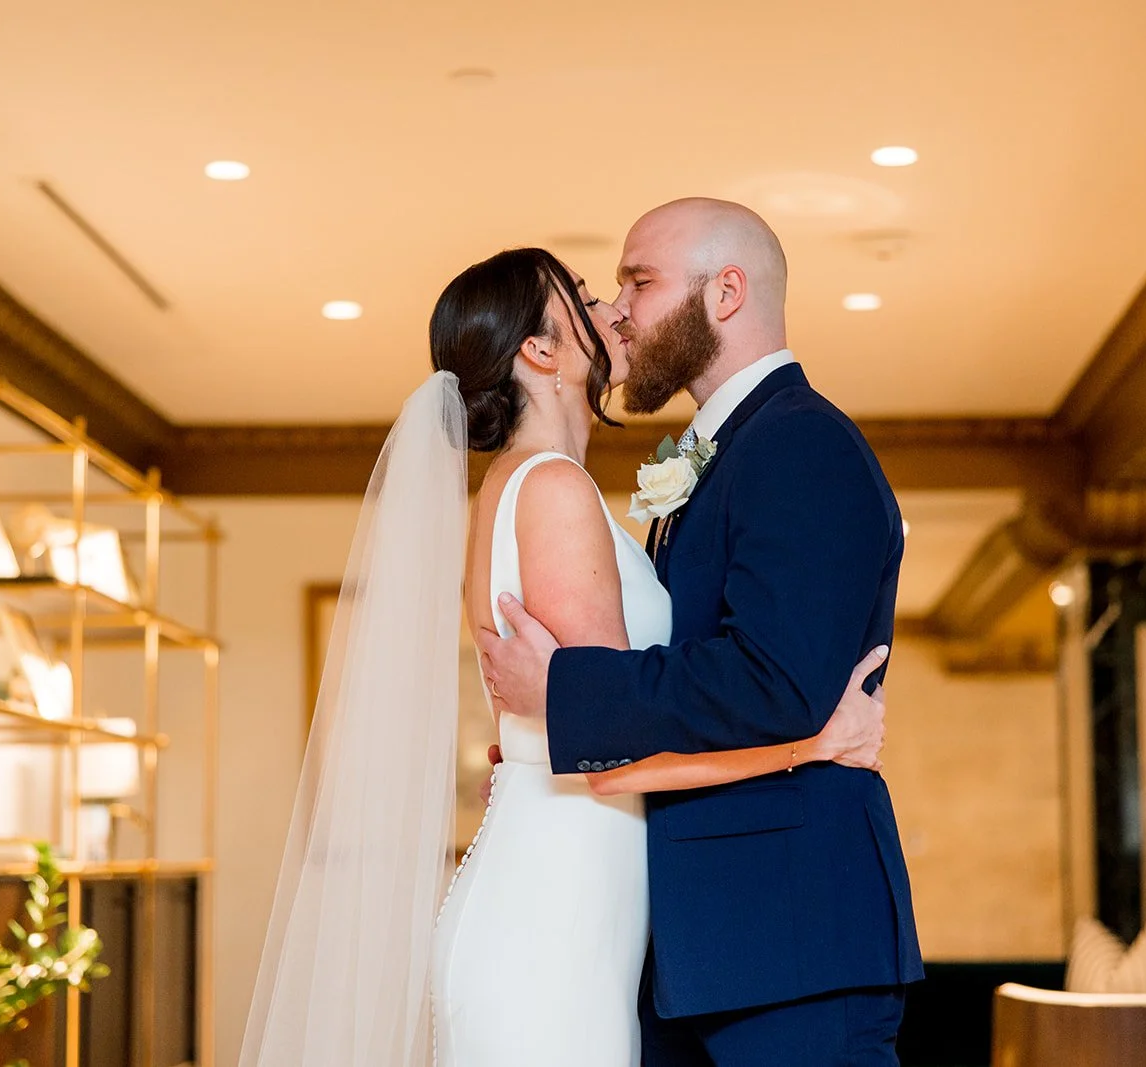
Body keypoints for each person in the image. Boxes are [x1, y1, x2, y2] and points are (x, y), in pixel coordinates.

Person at [238, 244, 889, 1067]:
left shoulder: (528, 487)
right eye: (585, 297)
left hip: (572, 905)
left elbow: (595, 728)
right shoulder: (551, 489)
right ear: (541, 351)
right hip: (552, 923)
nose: (614, 309)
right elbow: (613, 758)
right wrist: (816, 742)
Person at [478, 200, 925, 1066]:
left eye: (639, 282)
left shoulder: (802, 444)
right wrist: (546, 742)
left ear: (726, 292)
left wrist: (566, 694)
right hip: (703, 950)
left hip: (791, 943)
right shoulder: (722, 452)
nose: (617, 312)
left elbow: (774, 682)